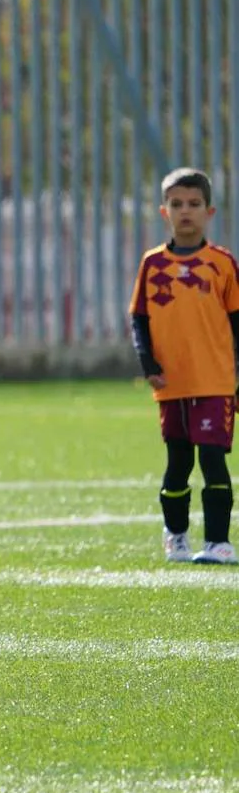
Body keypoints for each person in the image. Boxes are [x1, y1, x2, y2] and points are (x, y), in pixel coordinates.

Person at [130, 166, 239, 565]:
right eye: (177, 204)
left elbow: (237, 322)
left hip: (215, 380)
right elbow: (139, 319)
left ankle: (218, 543)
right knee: (178, 462)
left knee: (212, 458)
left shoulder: (222, 263)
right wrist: (147, 361)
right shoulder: (152, 264)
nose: (185, 211)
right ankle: (175, 536)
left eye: (194, 204)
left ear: (209, 212)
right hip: (171, 382)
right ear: (164, 212)